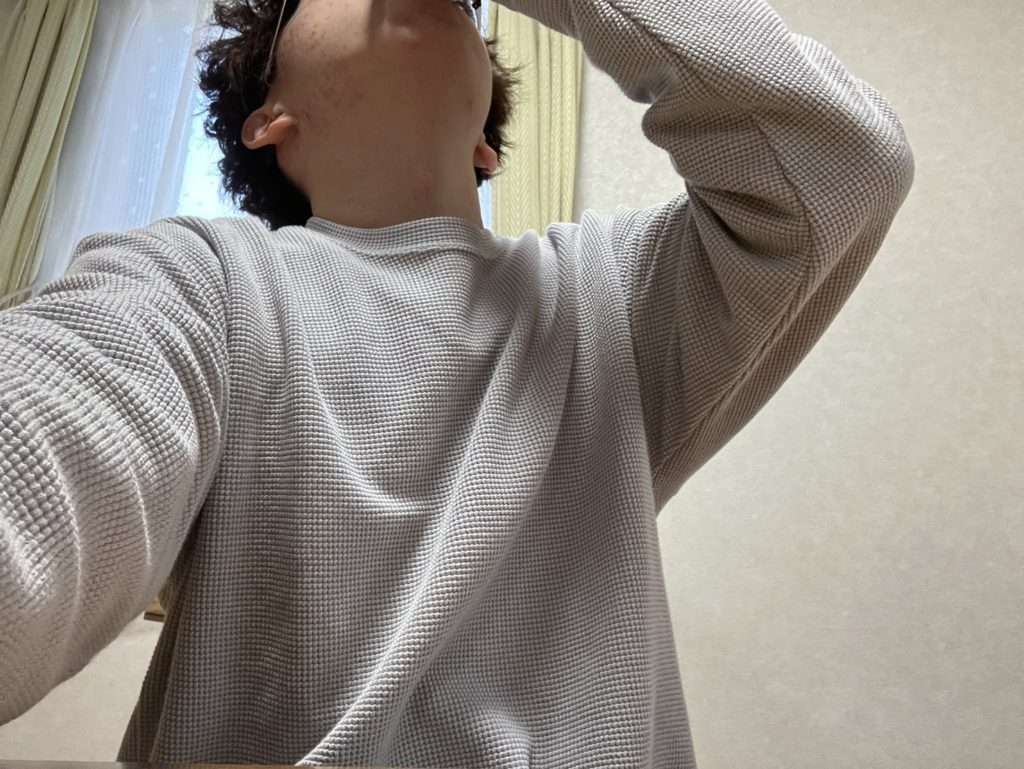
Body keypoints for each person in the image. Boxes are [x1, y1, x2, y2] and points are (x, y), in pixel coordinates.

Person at [0, 0, 914, 765]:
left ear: (485, 144)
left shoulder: (611, 300)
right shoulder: (204, 284)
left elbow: (841, 161)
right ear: (270, 118)